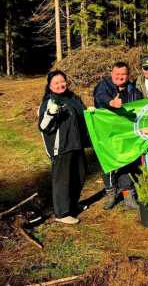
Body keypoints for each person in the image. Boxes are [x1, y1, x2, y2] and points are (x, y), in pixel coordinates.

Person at [38, 71, 88, 224]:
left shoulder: (73, 98)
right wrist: (50, 113)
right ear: (50, 86)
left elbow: (82, 114)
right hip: (61, 147)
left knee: (79, 175)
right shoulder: (50, 101)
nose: (60, 85)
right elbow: (43, 126)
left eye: (62, 81)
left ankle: (72, 205)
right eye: (56, 83)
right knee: (63, 180)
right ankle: (62, 212)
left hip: (76, 144)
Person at [93, 61, 143, 210]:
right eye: (117, 74)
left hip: (125, 133)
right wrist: (111, 102)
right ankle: (111, 193)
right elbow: (100, 96)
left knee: (127, 161)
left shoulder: (134, 91)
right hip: (107, 132)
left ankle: (128, 195)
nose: (120, 77)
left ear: (128, 75)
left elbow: (140, 108)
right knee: (107, 162)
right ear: (112, 74)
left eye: (123, 74)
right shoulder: (104, 86)